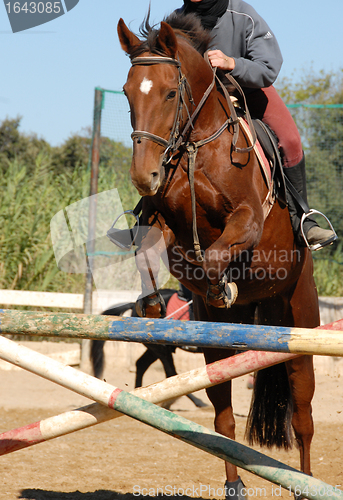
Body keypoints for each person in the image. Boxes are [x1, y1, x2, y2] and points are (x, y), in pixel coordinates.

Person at [176, 0, 337, 250]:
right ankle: (143, 217)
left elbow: (269, 67)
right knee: (162, 138)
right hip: (197, 104)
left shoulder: (242, 14)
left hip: (247, 91)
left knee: (291, 140)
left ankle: (303, 220)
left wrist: (232, 63)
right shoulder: (174, 20)